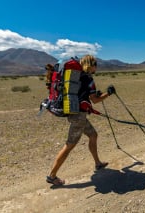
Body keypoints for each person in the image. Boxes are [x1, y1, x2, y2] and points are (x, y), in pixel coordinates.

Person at [46, 55, 116, 186]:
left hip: (75, 113)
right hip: (79, 117)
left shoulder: (77, 77)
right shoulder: (88, 78)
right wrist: (108, 93)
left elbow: (84, 95)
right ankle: (52, 176)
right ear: (91, 65)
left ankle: (98, 163)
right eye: (96, 65)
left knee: (93, 135)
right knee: (69, 145)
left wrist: (95, 94)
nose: (96, 68)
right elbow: (95, 100)